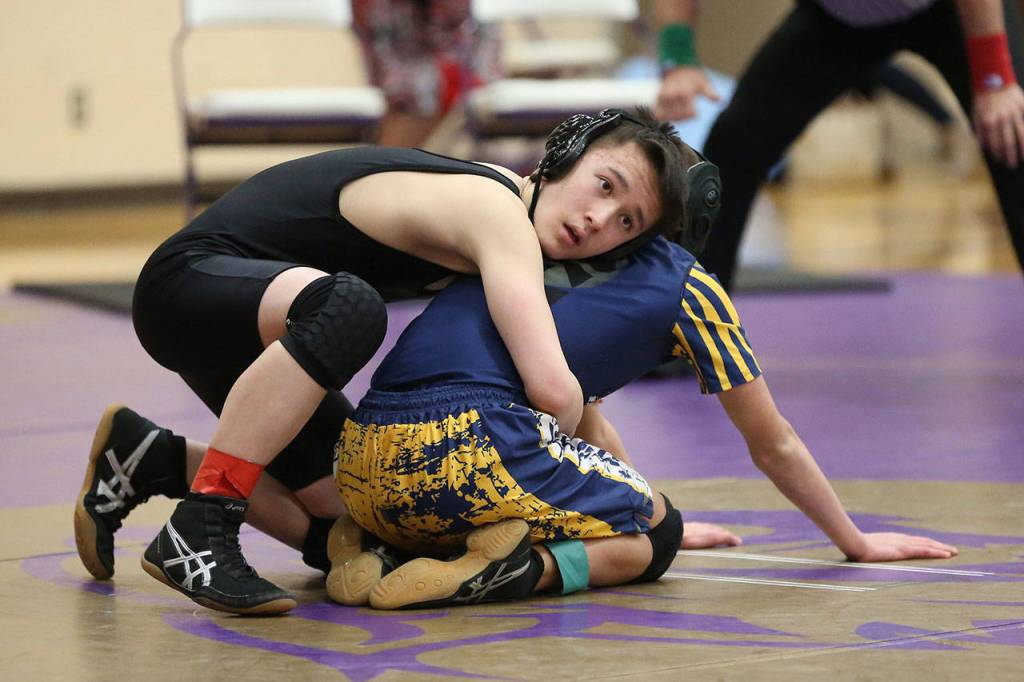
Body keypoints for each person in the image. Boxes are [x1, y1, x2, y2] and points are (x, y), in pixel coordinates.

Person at [73, 108, 694, 615]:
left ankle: (148, 457)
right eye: (605, 185)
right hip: (191, 285)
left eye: (626, 221)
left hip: (251, 338)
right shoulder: (495, 210)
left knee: (356, 527)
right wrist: (601, 503)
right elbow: (555, 392)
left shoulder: (513, 237)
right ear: (565, 154)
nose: (598, 219)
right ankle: (202, 524)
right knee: (348, 308)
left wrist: (631, 505)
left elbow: (581, 405)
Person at [324, 198, 958, 611]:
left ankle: (382, 546)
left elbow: (584, 423)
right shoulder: (687, 286)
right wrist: (854, 541)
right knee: (659, 538)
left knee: (526, 477)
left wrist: (624, 504)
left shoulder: (519, 238)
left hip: (358, 460)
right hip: (470, 452)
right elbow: (774, 443)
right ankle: (509, 574)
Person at [653, 0, 1024, 290]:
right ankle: (691, 324)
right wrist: (678, 57)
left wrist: (995, 80)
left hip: (948, 10)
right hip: (836, 19)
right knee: (732, 149)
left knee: (1013, 134)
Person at [351, 0, 501, 147]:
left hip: (450, 63)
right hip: (402, 64)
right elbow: (370, 36)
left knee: (422, 87)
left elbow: (455, 33)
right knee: (407, 91)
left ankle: (393, 154)